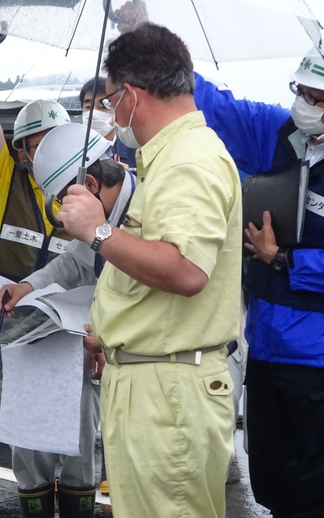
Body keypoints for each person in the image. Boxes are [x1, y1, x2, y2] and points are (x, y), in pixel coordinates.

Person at [57, 24, 241, 518]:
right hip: (156, 382)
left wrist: (98, 232)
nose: (112, 114)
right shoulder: (171, 158)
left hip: (169, 393)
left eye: (112, 100)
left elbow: (185, 271)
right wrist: (115, 334)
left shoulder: (188, 161)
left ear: (131, 96)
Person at [199, 52, 324, 517]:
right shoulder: (280, 133)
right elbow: (214, 106)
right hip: (264, 346)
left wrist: (285, 259)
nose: (304, 104)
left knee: (312, 486)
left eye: (317, 98)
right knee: (270, 478)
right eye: (301, 92)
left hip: (315, 356)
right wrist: (143, 31)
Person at [0, 122, 133, 518]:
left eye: (65, 201)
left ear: (90, 184)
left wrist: (108, 336)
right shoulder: (99, 210)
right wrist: (27, 286)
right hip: (99, 343)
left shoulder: (150, 206)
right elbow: (75, 260)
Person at [0, 20, 72, 282]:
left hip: (61, 314)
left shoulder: (89, 197)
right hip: (1, 308)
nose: (52, 150)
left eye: (58, 140)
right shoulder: (6, 181)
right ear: (23, 153)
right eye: (40, 143)